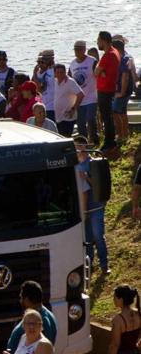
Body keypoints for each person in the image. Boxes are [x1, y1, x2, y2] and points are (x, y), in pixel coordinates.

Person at [78, 136, 109, 274]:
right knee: (87, 239)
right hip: (83, 209)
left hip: (96, 206)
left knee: (98, 236)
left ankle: (104, 264)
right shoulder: (74, 165)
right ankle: (89, 264)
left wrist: (86, 177)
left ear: (85, 147)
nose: (77, 149)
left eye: (79, 146)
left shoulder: (94, 163)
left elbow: (99, 185)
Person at [6, 281, 57, 353]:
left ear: (27, 300)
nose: (20, 301)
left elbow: (42, 351)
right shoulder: (49, 315)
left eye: (21, 298)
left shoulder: (39, 321)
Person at [95, 30, 120, 152]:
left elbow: (96, 72)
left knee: (106, 117)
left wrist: (100, 70)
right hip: (109, 88)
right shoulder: (114, 51)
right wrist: (101, 71)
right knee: (107, 116)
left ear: (104, 41)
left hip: (105, 90)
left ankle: (109, 142)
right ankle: (110, 141)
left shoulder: (108, 55)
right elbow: (99, 71)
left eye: (98, 40)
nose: (97, 43)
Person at [70, 40, 98, 145]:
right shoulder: (72, 64)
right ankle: (84, 144)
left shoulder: (92, 61)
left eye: (79, 49)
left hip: (91, 97)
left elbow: (99, 75)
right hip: (79, 99)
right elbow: (70, 81)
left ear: (84, 50)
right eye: (75, 50)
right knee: (80, 123)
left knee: (91, 119)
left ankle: (94, 140)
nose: (77, 52)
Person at [51, 63, 83, 136]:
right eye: (58, 72)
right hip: (58, 116)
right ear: (55, 73)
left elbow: (81, 95)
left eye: (62, 72)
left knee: (66, 136)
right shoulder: (55, 81)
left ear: (65, 72)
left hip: (68, 116)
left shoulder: (70, 82)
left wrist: (73, 109)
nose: (60, 74)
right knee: (60, 136)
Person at [32, 50, 56, 122]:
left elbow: (39, 87)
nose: (40, 64)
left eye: (42, 62)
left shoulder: (52, 71)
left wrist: (35, 74)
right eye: (38, 62)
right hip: (40, 105)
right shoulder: (38, 73)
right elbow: (35, 89)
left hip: (51, 107)